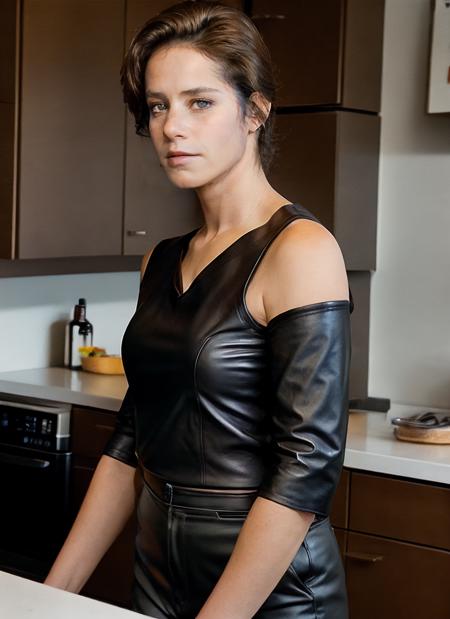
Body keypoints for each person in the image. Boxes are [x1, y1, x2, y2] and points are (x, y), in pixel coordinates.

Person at [44, 1, 354, 617]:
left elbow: (305, 471)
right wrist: (47, 600)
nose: (172, 127)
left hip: (272, 593)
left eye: (200, 102)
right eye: (159, 105)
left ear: (255, 111)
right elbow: (133, 439)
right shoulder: (159, 261)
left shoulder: (300, 249)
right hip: (158, 573)